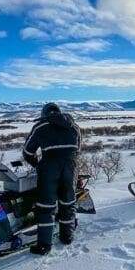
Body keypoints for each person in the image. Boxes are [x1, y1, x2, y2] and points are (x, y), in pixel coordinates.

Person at [22, 103, 81, 255]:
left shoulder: (40, 127)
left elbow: (28, 151)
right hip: (71, 167)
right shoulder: (74, 126)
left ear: (44, 114)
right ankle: (67, 236)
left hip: (49, 169)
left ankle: (44, 245)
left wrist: (36, 164)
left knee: (46, 207)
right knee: (68, 203)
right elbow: (77, 149)